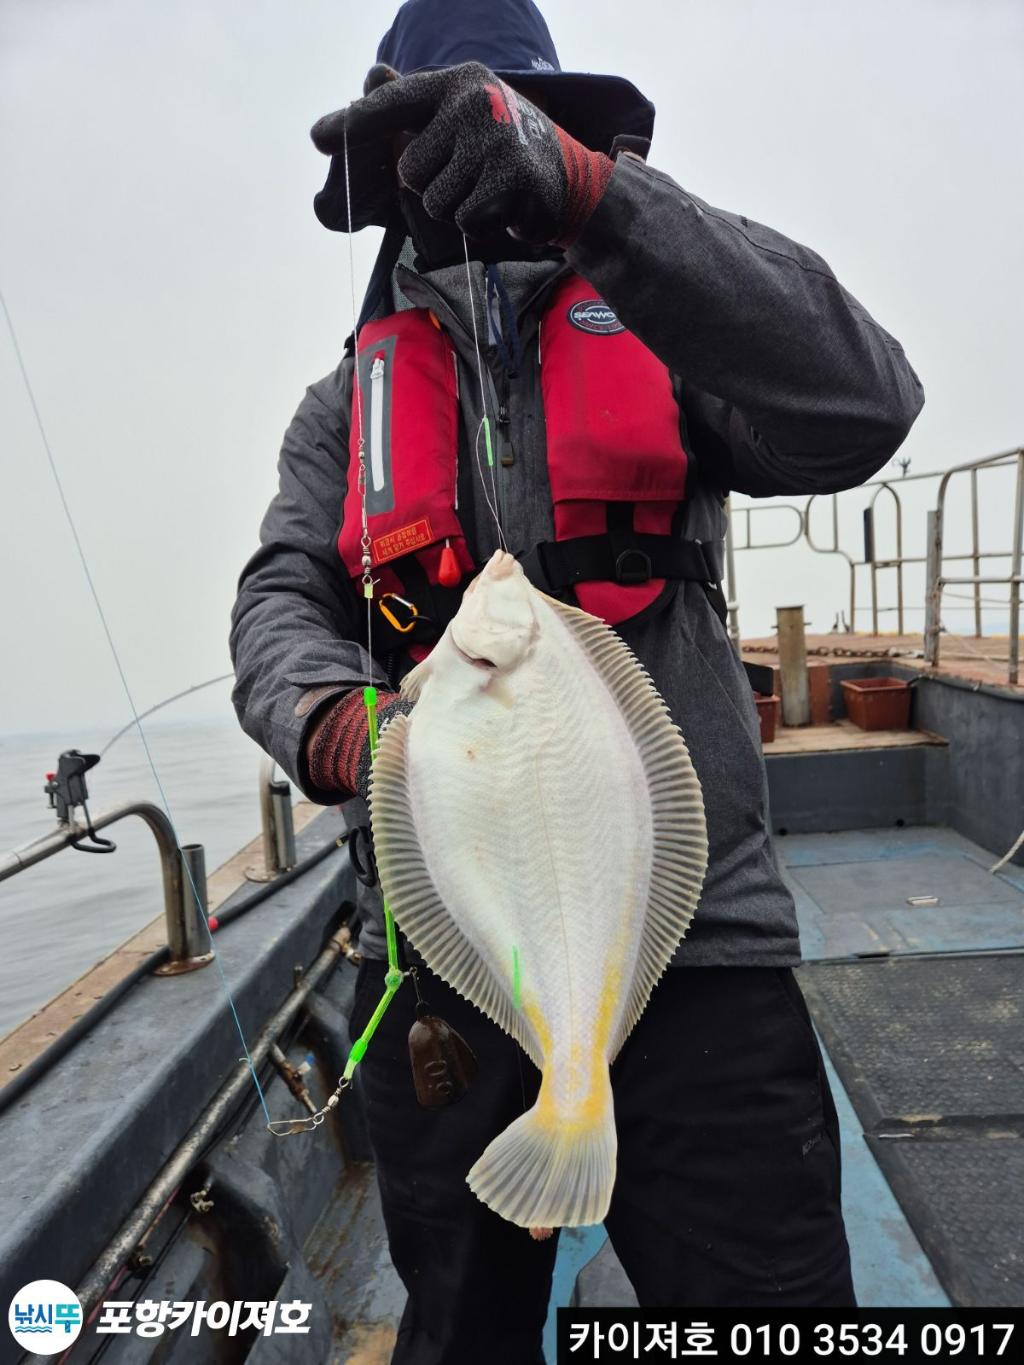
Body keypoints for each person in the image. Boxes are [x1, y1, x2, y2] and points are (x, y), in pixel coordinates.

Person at [230, 1, 923, 1359]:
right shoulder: (343, 409)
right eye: (430, 147)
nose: (463, 179)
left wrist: (598, 201)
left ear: (558, 127)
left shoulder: (668, 326)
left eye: (499, 131)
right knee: (462, 1335)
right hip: (443, 959)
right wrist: (332, 720)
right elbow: (278, 600)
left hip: (698, 948)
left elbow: (866, 404)